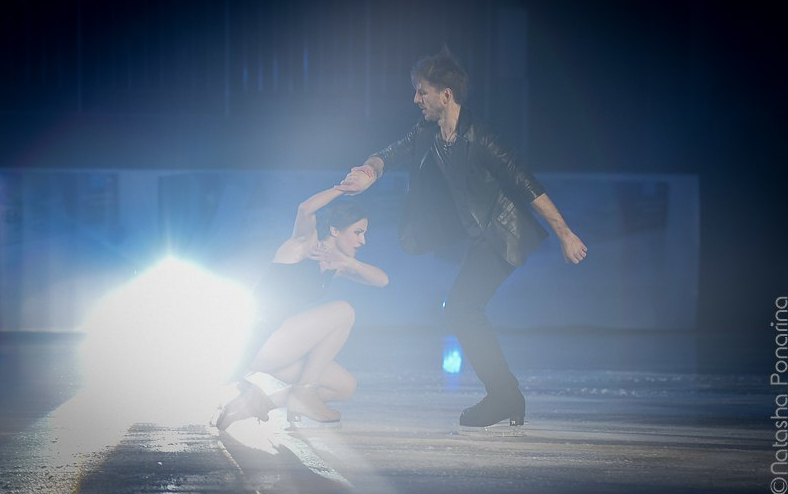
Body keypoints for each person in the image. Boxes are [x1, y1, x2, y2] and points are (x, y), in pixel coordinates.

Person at [337, 48, 587, 428]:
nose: (416, 100)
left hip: (502, 236)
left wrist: (565, 233)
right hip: (480, 238)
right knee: (461, 310)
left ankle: (505, 395)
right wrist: (367, 172)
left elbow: (526, 184)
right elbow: (391, 153)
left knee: (460, 309)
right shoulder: (429, 133)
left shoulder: (481, 138)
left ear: (445, 94)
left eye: (422, 92)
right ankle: (506, 394)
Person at [215, 185, 388, 430]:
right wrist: (344, 187)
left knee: (344, 386)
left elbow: (382, 280)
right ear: (335, 230)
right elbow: (306, 209)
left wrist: (349, 262)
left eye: (364, 234)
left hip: (278, 348)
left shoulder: (335, 265)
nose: (363, 240)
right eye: (358, 232)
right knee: (344, 311)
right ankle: (303, 392)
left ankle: (258, 404)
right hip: (255, 339)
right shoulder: (303, 246)